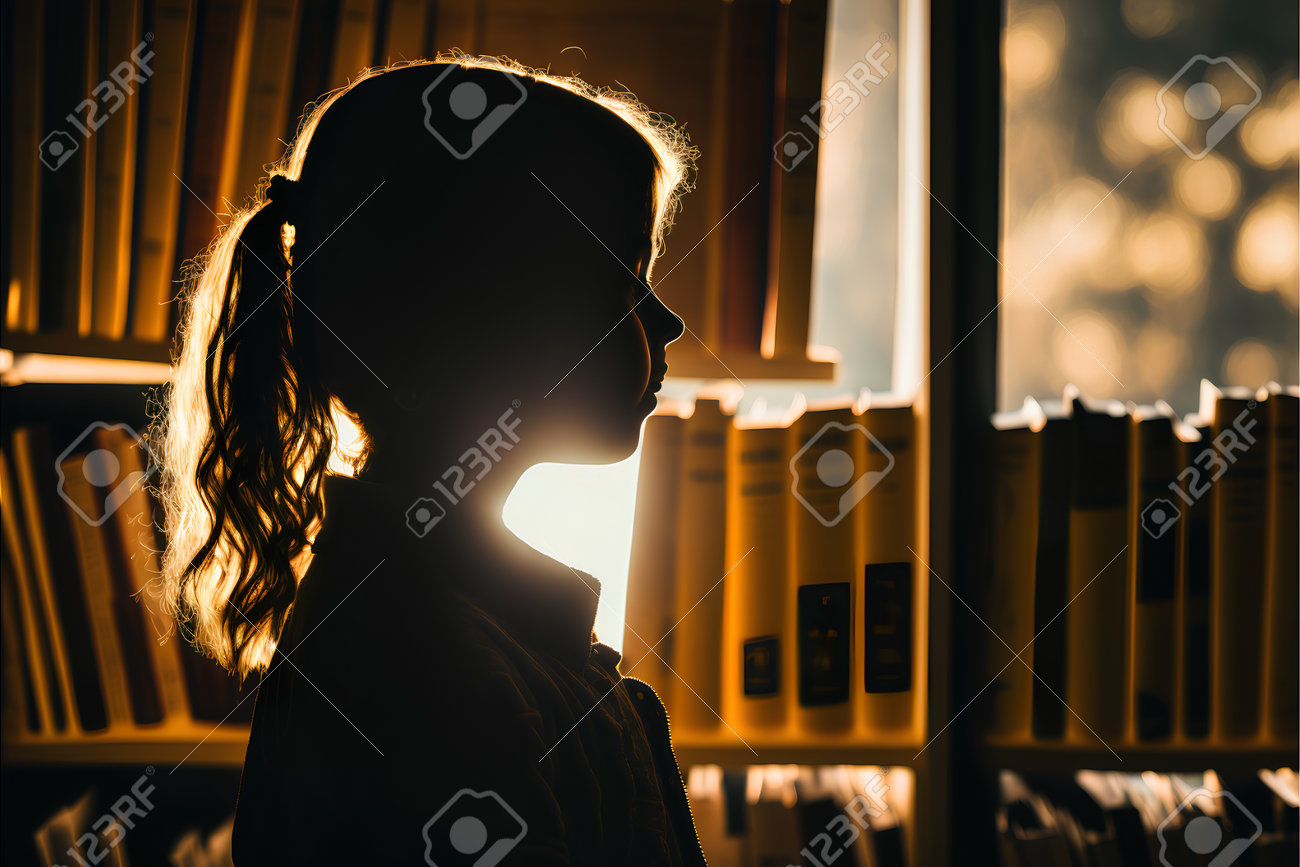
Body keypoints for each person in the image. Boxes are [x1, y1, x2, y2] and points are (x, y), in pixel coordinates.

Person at [155, 56, 706, 865]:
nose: (669, 322)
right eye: (622, 280)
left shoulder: (454, 632)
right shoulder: (437, 681)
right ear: (472, 319)